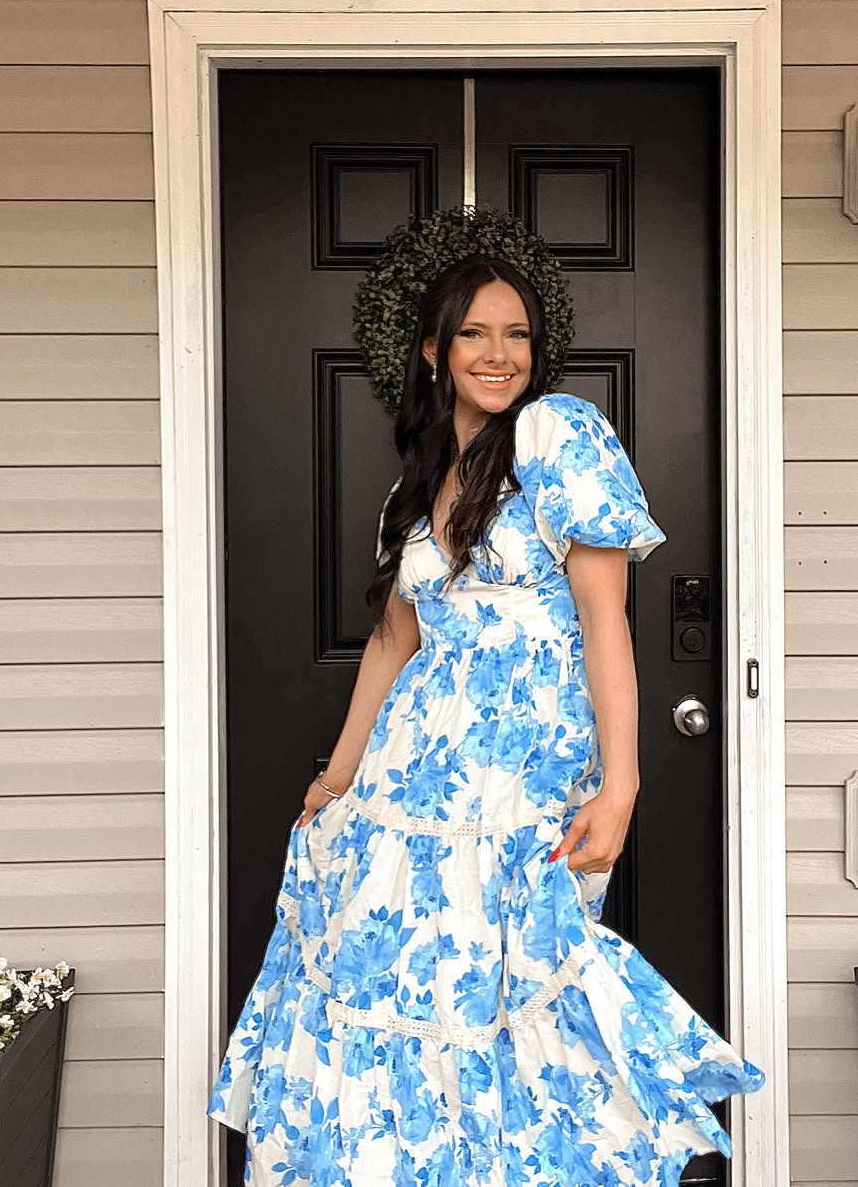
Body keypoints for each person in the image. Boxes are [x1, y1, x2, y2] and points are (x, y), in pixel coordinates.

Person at [207, 253, 764, 1185]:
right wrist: (337, 775)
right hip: (408, 774)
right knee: (390, 978)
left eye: (517, 334)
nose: (499, 354)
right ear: (434, 349)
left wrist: (621, 787)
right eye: (474, 333)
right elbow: (393, 642)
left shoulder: (560, 434)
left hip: (522, 768)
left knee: (506, 993)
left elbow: (605, 625)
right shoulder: (414, 487)